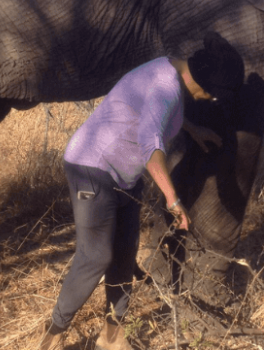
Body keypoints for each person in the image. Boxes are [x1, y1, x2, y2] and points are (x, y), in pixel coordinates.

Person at [36, 32, 245, 350]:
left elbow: (155, 112)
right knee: (95, 256)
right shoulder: (166, 87)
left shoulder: (169, 71)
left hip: (123, 176)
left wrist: (192, 128)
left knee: (123, 256)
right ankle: (52, 336)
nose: (206, 100)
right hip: (92, 166)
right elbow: (151, 146)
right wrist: (173, 199)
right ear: (197, 81)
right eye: (209, 95)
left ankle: (112, 337)